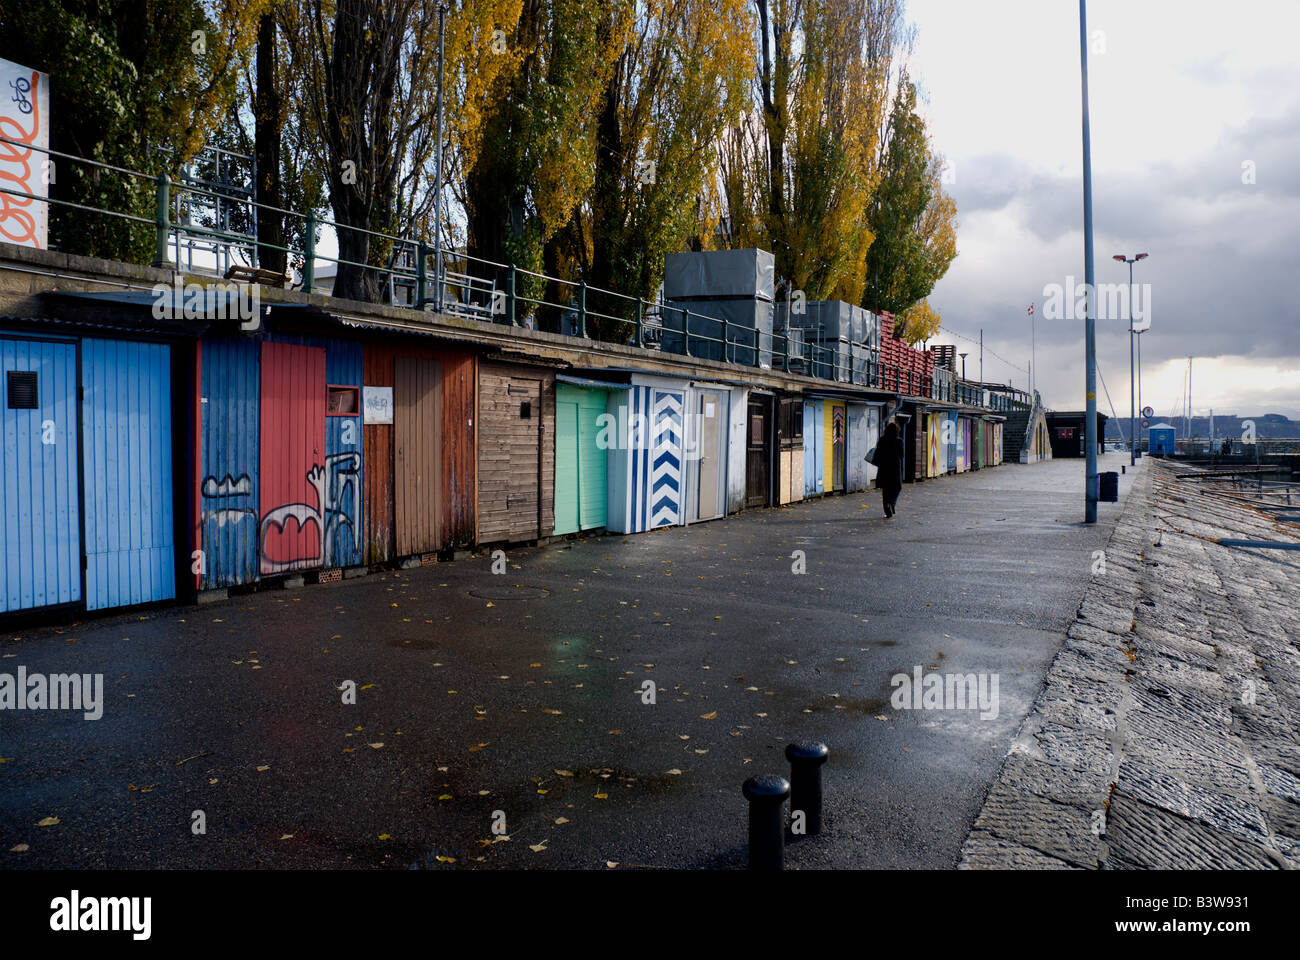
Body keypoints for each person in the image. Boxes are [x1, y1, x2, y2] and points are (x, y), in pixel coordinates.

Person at [870, 419, 905, 517]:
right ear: (897, 431)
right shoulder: (899, 441)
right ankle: (892, 502)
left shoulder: (882, 440)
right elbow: (902, 455)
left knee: (885, 489)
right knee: (897, 487)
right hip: (895, 467)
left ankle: (887, 510)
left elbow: (877, 453)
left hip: (884, 467)